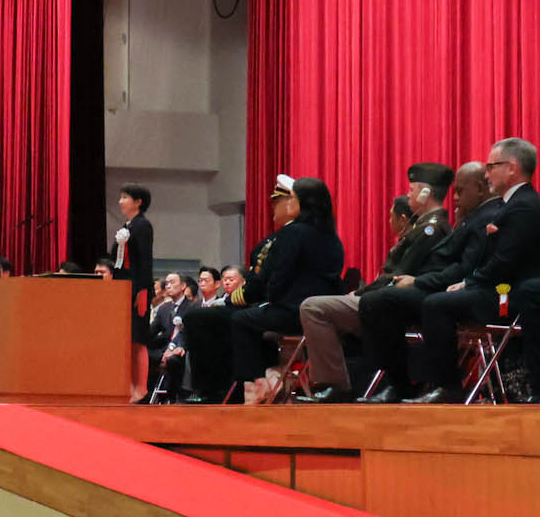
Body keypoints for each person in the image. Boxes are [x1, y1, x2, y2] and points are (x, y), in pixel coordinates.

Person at [360, 140, 540, 403]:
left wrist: (468, 283)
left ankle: (447, 386)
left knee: (437, 305)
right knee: (412, 302)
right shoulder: (516, 203)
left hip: (508, 295)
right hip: (498, 288)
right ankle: (409, 383)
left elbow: (504, 261)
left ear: (511, 168)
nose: (487, 174)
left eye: (491, 167)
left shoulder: (523, 205)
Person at [184, 177, 344, 401]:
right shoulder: (332, 237)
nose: (279, 206)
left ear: (300, 203)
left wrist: (265, 297)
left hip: (290, 311)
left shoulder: (293, 234)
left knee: (237, 320)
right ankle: (243, 385)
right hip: (315, 312)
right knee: (240, 318)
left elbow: (274, 279)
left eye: (290, 200)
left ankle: (247, 385)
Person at [302, 165, 453, 401]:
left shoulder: (430, 229)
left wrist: (360, 293)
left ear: (426, 193)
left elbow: (398, 275)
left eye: (412, 190)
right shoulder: (423, 226)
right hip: (390, 299)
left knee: (313, 308)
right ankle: (342, 382)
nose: (409, 195)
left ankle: (337, 384)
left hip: (397, 302)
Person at [107, 185, 154, 348]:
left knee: (136, 338)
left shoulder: (142, 225)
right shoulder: (127, 226)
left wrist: (142, 290)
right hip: (123, 286)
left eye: (125, 197)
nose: (120, 202)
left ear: (138, 202)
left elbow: (145, 260)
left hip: (136, 288)